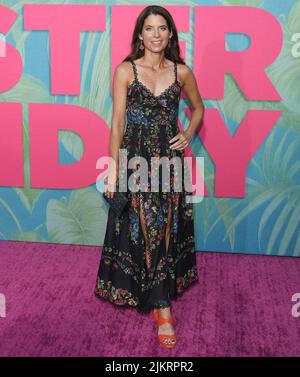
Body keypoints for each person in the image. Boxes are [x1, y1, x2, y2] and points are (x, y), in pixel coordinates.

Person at [94, 5, 204, 349]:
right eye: (149, 28)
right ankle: (160, 303)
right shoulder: (126, 70)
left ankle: (160, 302)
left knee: (163, 226)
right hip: (134, 161)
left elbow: (199, 108)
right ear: (140, 35)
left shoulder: (181, 72)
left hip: (169, 164)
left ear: (171, 34)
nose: (156, 34)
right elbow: (118, 123)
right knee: (142, 226)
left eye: (162, 28)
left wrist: (187, 132)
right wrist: (113, 168)